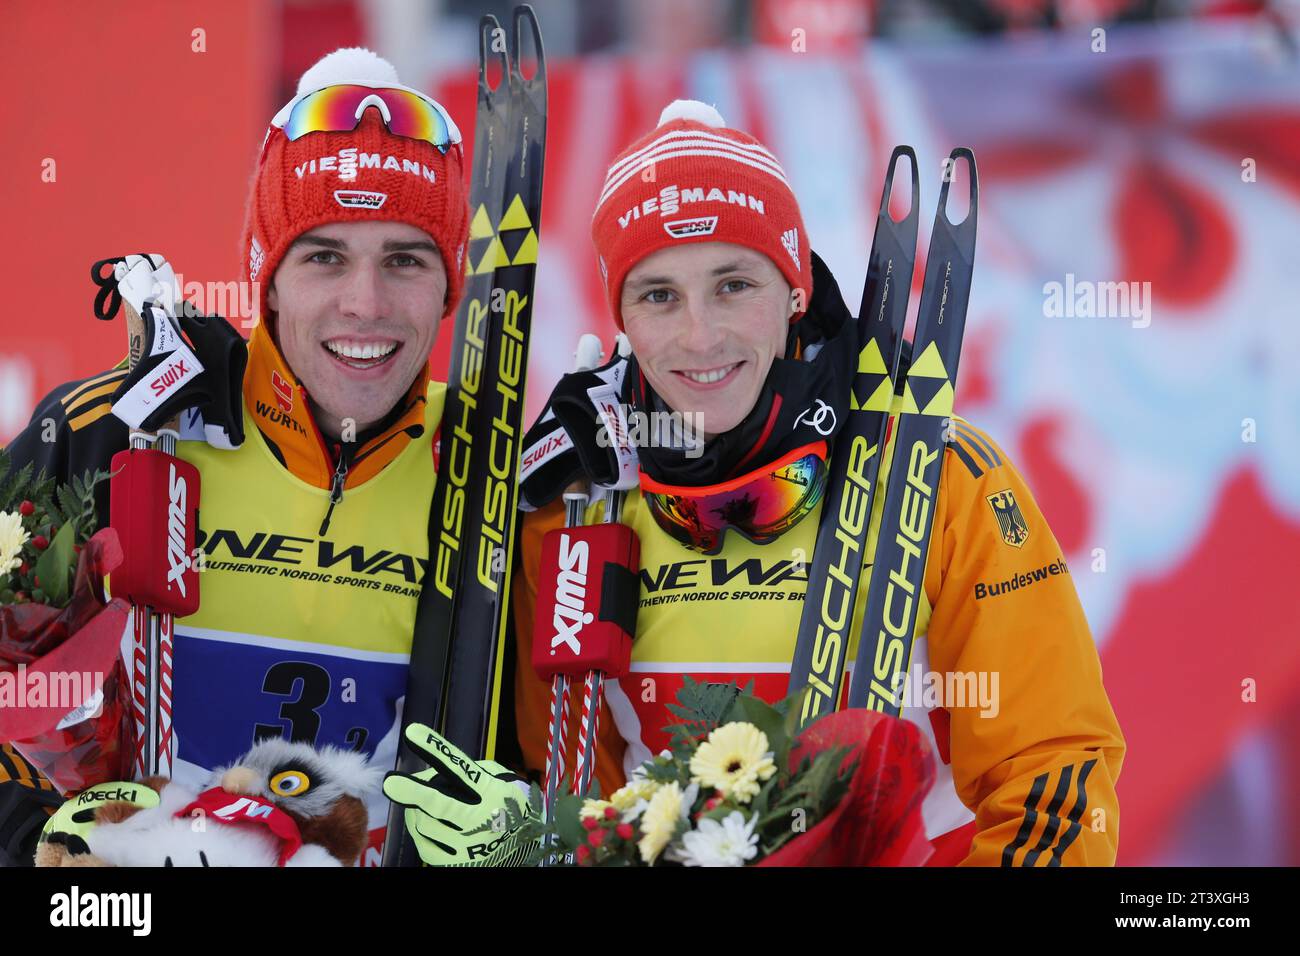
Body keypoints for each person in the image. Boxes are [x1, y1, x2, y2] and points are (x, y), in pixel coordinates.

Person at [510, 101, 1127, 866]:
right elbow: (568, 790)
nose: (700, 335)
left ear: (796, 289)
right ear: (622, 318)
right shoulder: (572, 500)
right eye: (659, 295)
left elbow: (1051, 776)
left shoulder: (943, 478)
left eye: (734, 284)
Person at [0, 48, 471, 866]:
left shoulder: (488, 472)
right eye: (324, 256)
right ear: (269, 279)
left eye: (406, 259)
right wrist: (44, 847)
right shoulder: (114, 430)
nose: (365, 303)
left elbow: (535, 763)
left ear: (447, 286)